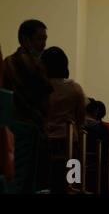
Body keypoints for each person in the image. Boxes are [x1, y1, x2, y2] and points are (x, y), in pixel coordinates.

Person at [2, 20, 53, 192]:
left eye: (45, 39)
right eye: (40, 39)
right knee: (22, 180)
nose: (44, 45)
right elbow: (43, 92)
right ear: (25, 39)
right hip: (22, 128)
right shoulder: (26, 65)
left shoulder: (9, 63)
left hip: (25, 128)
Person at [41, 47, 88, 193]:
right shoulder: (74, 88)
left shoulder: (40, 87)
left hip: (44, 144)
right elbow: (81, 120)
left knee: (43, 186)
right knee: (72, 186)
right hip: (70, 145)